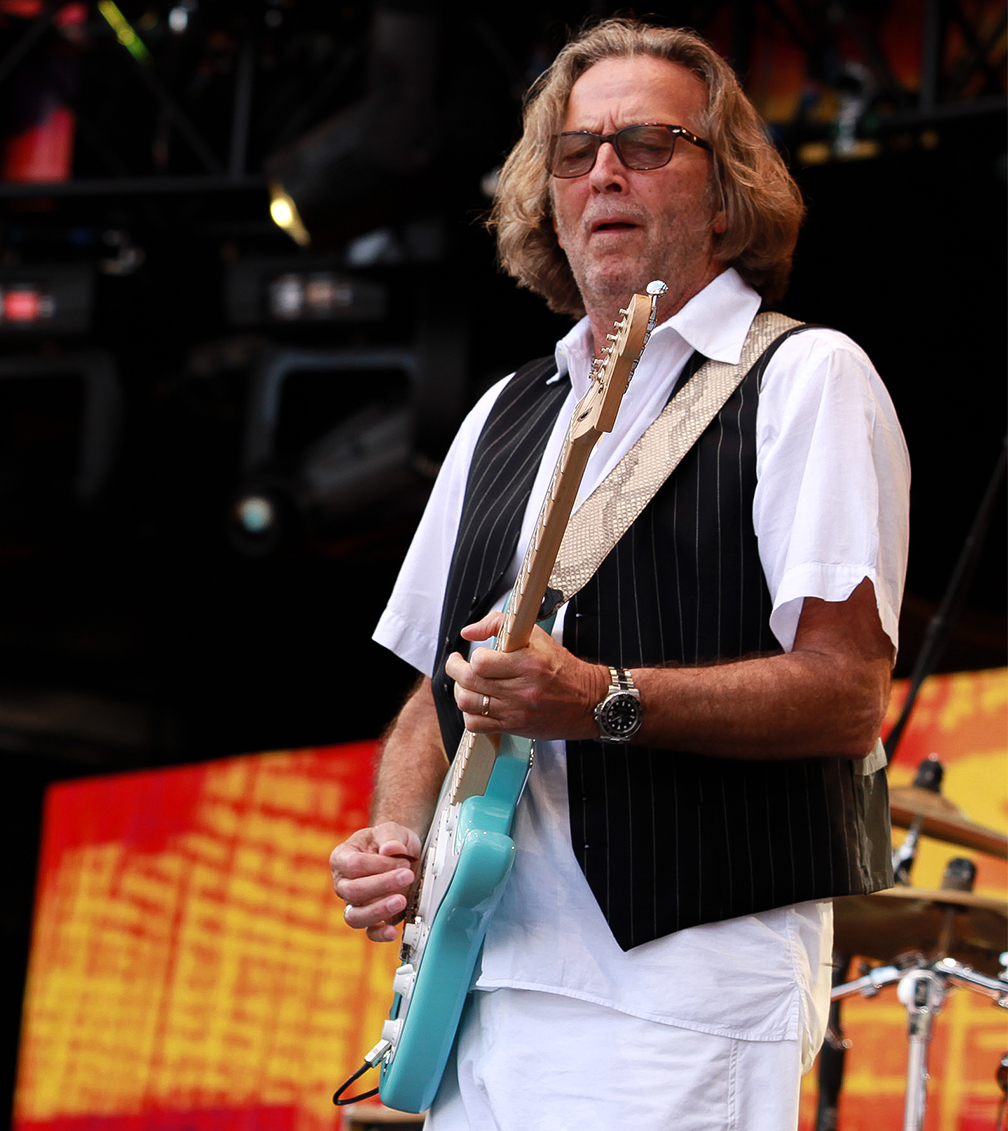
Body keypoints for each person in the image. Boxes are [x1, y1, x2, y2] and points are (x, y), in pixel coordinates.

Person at [327, 19, 905, 1128]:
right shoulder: (503, 412)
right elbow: (428, 694)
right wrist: (397, 840)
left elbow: (845, 691)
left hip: (677, 990)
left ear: (726, 191)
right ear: (542, 198)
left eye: (645, 143)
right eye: (574, 150)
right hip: (477, 987)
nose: (602, 171)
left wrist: (599, 700)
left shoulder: (802, 377)